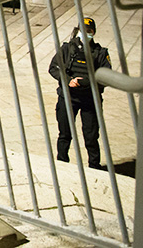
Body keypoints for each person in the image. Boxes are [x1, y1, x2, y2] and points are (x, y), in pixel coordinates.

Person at [48, 17, 111, 170]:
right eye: (83, 30)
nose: (86, 33)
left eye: (89, 31)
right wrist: (68, 80)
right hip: (68, 97)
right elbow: (54, 67)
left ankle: (94, 168)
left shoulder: (100, 53)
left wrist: (85, 82)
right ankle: (62, 165)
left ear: (93, 32)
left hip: (90, 99)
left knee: (91, 137)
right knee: (64, 135)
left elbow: (107, 76)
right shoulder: (67, 49)